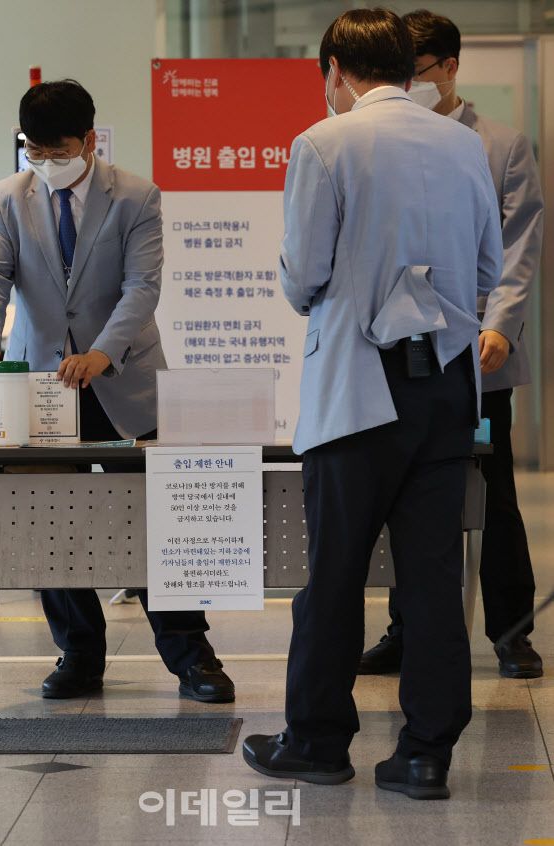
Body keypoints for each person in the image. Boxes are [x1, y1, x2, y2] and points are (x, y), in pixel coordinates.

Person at [242, 8, 503, 799]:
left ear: (335, 70)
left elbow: (303, 276)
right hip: (447, 386)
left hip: (359, 387)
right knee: (432, 577)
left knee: (335, 573)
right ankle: (425, 754)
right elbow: (487, 270)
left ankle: (317, 742)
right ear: (409, 65)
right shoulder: (463, 144)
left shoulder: (325, 142)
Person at [0, 79, 234, 704]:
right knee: (48, 519)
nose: (45, 163)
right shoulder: (9, 197)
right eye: (33, 151)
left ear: (89, 140)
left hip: (124, 381)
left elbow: (142, 286)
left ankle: (191, 657)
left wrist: (103, 351)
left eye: (57, 151)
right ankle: (79, 654)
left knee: (156, 521)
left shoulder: (136, 195)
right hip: (41, 387)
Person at [360, 9, 544, 681]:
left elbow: (520, 246)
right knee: (404, 490)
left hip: (480, 349)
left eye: (418, 71)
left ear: (451, 68)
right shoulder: (377, 140)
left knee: (493, 494)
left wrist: (501, 324)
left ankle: (512, 632)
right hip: (399, 350)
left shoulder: (502, 145)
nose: (408, 84)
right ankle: (405, 628)